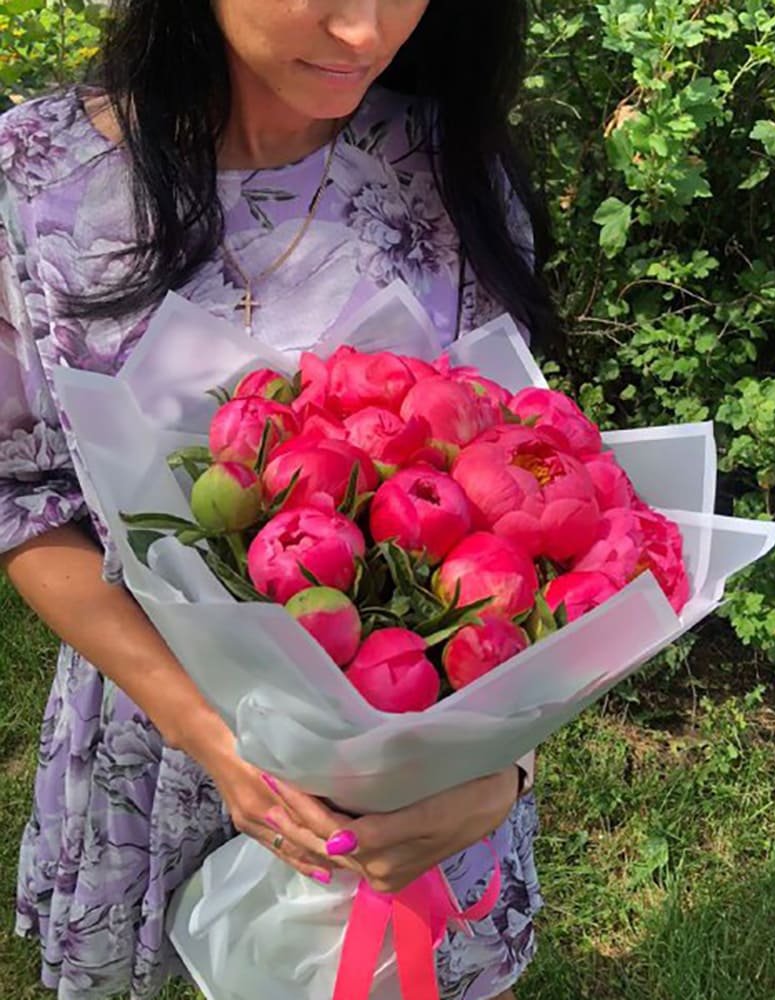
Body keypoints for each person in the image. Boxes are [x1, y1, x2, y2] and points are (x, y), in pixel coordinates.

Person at [0, 2, 563, 997]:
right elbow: (23, 494)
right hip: (158, 728)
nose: (365, 33)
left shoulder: (448, 166)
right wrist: (206, 732)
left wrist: (499, 774)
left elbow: (526, 522)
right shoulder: (37, 181)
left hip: (424, 755)